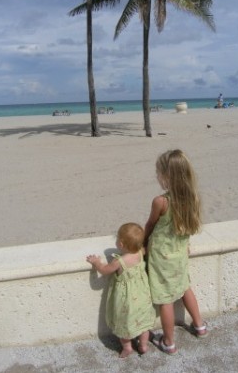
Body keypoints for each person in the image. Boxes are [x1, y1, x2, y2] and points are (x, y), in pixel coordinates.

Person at [144, 149, 208, 355]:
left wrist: (142, 244)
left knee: (165, 300)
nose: (156, 177)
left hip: (162, 258)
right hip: (180, 253)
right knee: (185, 287)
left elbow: (150, 225)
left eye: (158, 173)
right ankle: (199, 325)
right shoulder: (192, 198)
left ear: (166, 176)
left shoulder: (161, 201)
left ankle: (169, 341)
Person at [86, 223, 156, 358]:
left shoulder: (119, 261)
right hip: (142, 295)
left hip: (126, 300)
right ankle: (143, 345)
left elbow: (104, 270)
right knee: (143, 325)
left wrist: (96, 263)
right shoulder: (141, 253)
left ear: (121, 244)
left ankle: (127, 347)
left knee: (123, 325)